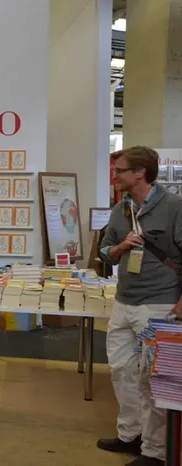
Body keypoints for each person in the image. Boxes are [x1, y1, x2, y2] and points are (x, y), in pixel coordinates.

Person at [98, 146, 182, 466]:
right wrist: (119, 247)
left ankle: (154, 451)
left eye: (119, 170)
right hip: (123, 301)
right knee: (121, 370)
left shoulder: (174, 207)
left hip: (158, 303)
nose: (115, 175)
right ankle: (129, 433)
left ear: (140, 173)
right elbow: (105, 252)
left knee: (151, 378)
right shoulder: (121, 209)